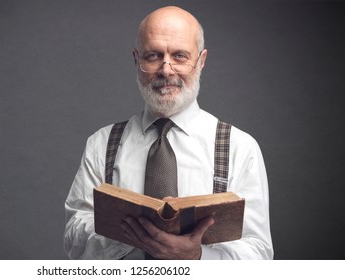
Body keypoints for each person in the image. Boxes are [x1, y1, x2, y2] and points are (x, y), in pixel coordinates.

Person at [64, 6, 273, 260]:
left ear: (201, 61)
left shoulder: (240, 147)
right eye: (153, 56)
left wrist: (197, 257)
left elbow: (259, 253)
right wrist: (128, 236)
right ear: (136, 60)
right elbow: (73, 240)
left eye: (180, 56)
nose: (166, 69)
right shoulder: (101, 144)